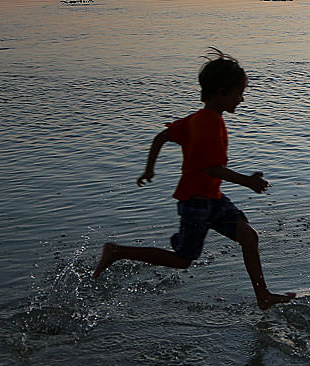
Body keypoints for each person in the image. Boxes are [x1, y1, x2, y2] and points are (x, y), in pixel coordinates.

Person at [93, 49, 294, 310]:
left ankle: (263, 296)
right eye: (239, 93)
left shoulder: (197, 118)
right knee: (183, 259)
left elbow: (161, 137)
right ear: (221, 93)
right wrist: (248, 182)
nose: (242, 100)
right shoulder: (210, 124)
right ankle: (117, 251)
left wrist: (149, 169)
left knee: (248, 236)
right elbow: (213, 168)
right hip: (196, 201)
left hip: (212, 198)